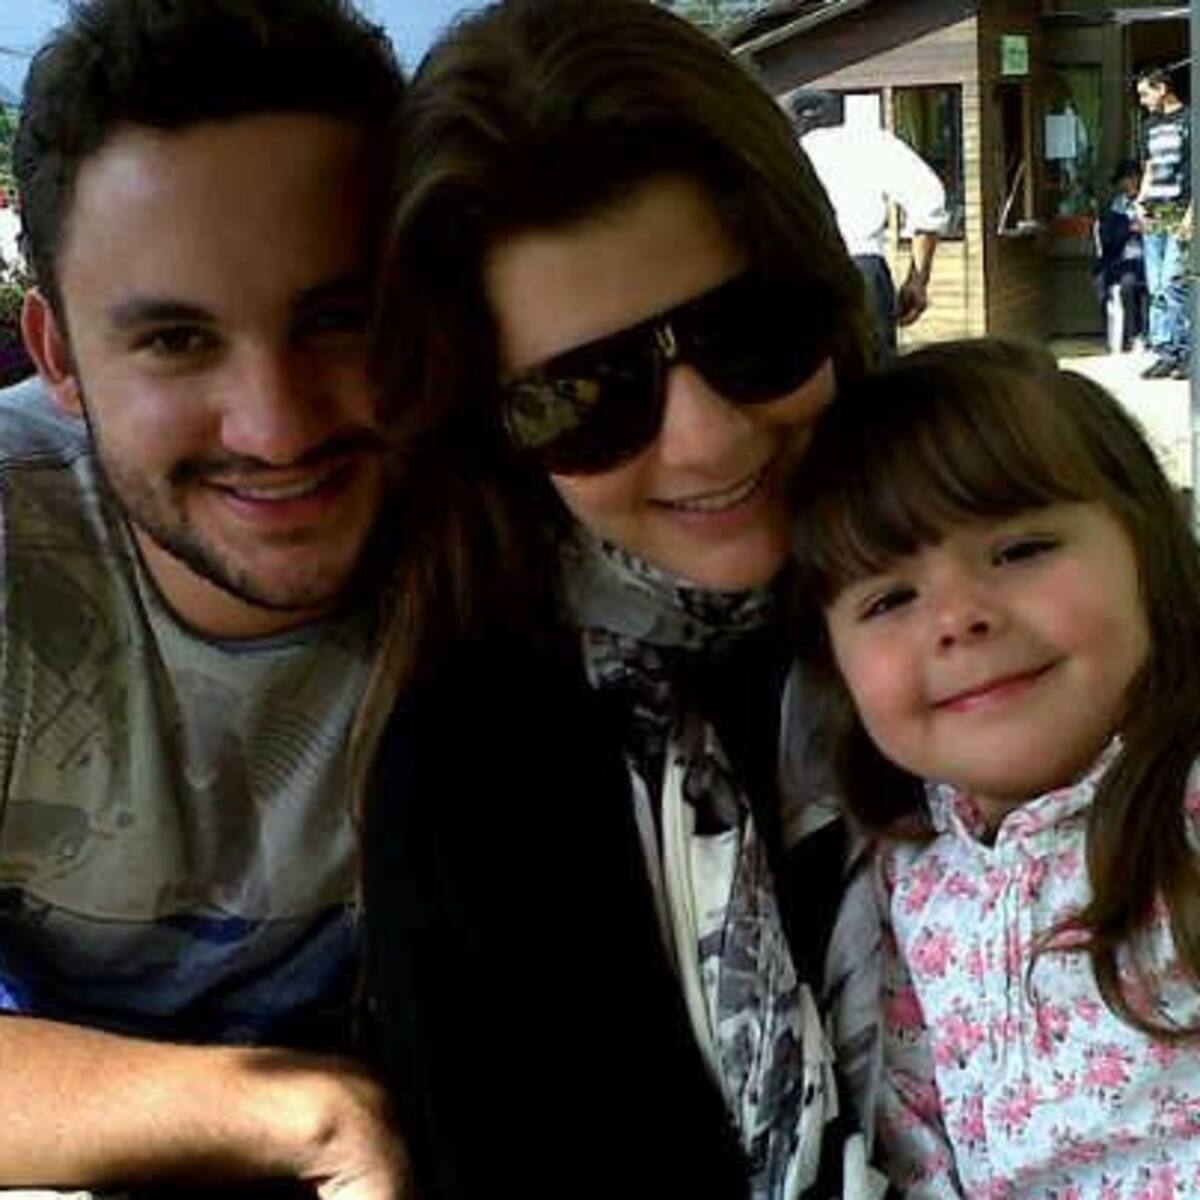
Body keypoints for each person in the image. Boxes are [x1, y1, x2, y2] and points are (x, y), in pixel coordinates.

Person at [356, 2, 888, 1197]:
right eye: (582, 395)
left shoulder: (1012, 574)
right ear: (493, 430)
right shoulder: (470, 772)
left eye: (748, 330)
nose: (707, 440)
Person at [0, 1, 410, 1195]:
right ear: (60, 358)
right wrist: (308, 1117)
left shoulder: (528, 524)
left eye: (338, 320)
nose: (275, 428)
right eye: (177, 339)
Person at [790, 339, 1200, 1196]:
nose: (959, 618)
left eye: (1020, 550)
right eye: (890, 598)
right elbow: (913, 1121)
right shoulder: (906, 874)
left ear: (1148, 545)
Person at [791, 90, 947, 362]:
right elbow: (928, 200)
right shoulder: (871, 142)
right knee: (874, 377)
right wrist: (917, 280)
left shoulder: (786, 152)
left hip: (803, 273)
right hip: (864, 270)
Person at [1135, 66, 1192, 380]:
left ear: (1162, 89)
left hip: (1179, 210)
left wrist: (1191, 215)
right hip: (1154, 211)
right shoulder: (1149, 125)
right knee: (1156, 284)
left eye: (1146, 93)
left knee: (1173, 282)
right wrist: (1140, 203)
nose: (1142, 100)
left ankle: (1184, 352)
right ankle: (1164, 351)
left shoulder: (1190, 120)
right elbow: (1149, 167)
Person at [1094, 159, 1147, 353]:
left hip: (1145, 260)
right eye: (1125, 179)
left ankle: (1136, 335)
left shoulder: (1148, 203)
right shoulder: (1116, 207)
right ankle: (1120, 337)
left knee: (1131, 281)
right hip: (1120, 261)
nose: (1128, 184)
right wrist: (1130, 227)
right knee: (1106, 281)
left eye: (1132, 178)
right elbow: (1108, 239)